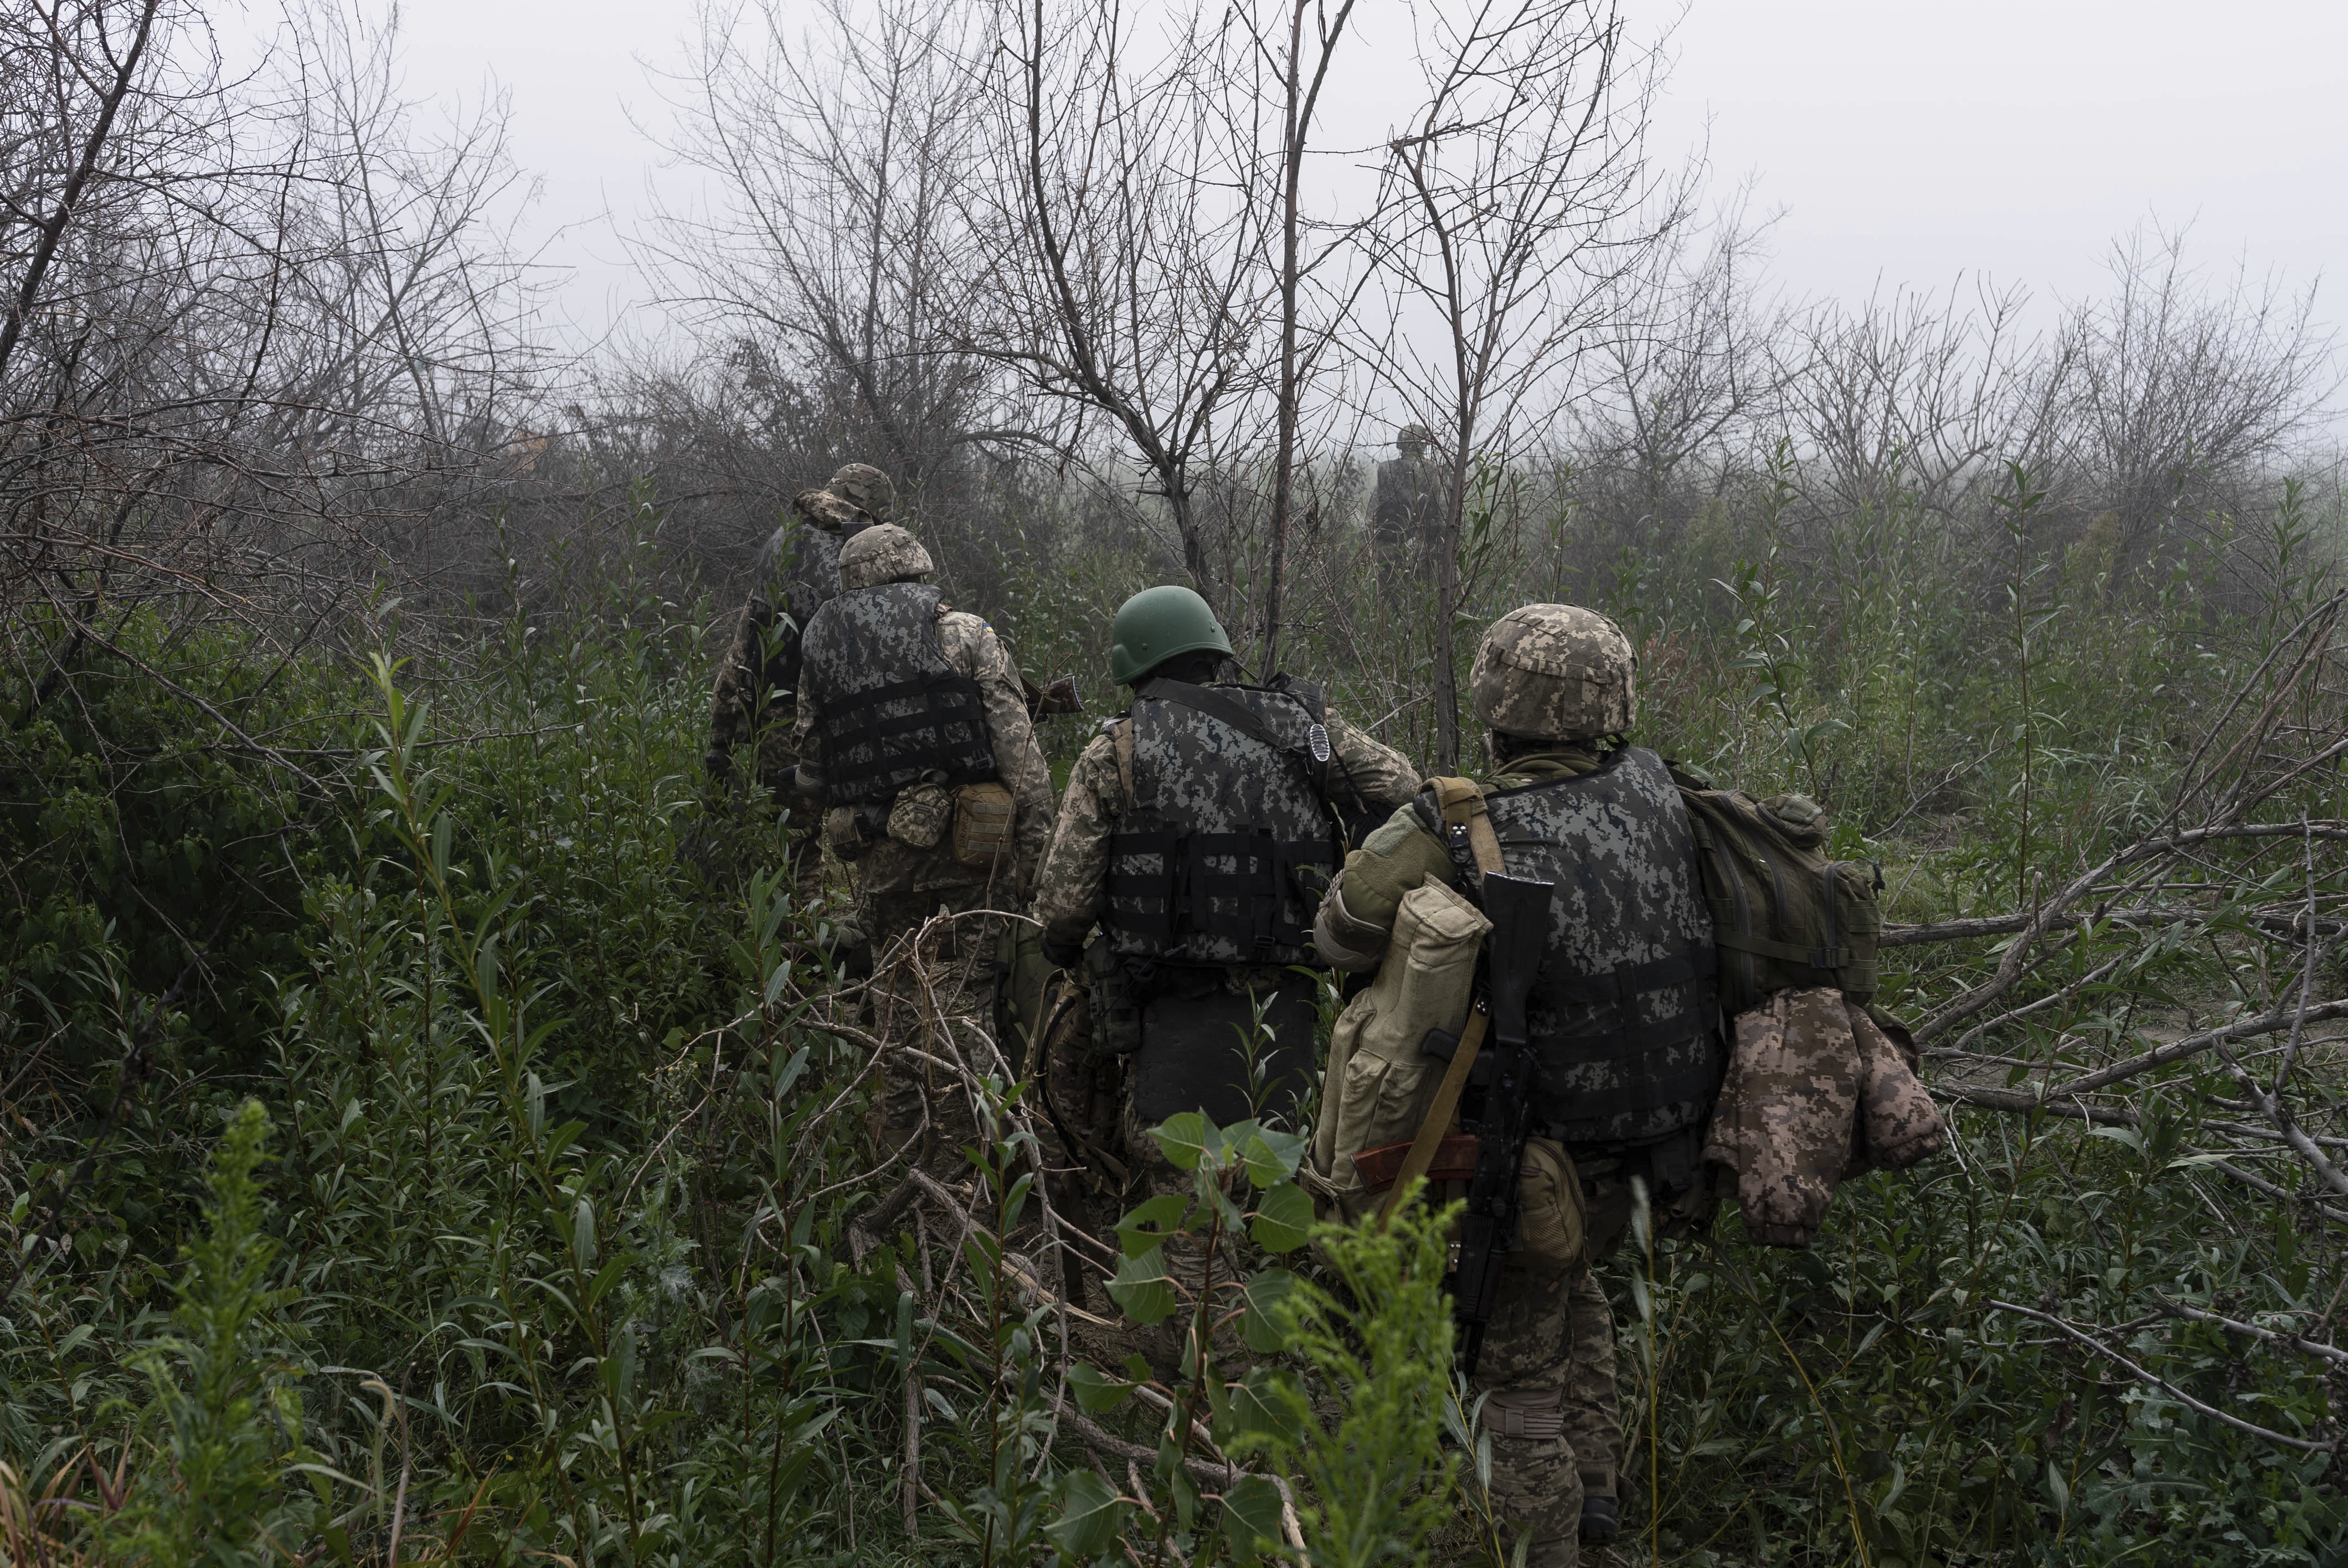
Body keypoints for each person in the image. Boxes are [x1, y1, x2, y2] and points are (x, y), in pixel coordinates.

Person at [1311, 603, 1726, 1566]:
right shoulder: (1663, 788)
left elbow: (1337, 931)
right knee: (1573, 1304)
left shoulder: (1458, 819)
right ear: (1611, 700)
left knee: (1517, 1378)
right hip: (1661, 1143)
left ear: (1499, 701)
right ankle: (1598, 1520)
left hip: (1532, 1156)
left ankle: (1539, 1545)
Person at [1029, 584, 1419, 1212]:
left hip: (1167, 999)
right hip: (1289, 996)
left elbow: (1064, 904)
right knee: (1277, 1170)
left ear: (1135, 665)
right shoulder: (1303, 724)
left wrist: (1065, 947)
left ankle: (1107, 1223)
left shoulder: (1118, 749)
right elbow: (1406, 792)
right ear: (1214, 651)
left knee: (1174, 1177)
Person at [791, 522, 1055, 1157]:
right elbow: (1022, 760)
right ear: (915, 570)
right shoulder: (964, 632)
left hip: (879, 853)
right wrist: (1034, 856)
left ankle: (903, 1152)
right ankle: (981, 1160)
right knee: (965, 996)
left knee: (896, 997)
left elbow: (810, 768)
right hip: (969, 851)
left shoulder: (820, 649)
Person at [703, 462, 897, 905]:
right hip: (812, 722)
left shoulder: (782, 542)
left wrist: (720, 729)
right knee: (802, 847)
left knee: (785, 837)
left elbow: (745, 638)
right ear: (875, 510)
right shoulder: (854, 554)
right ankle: (804, 949)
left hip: (761, 710)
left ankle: (783, 935)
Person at [1369, 424, 1448, 576]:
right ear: (1423, 446)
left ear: (1400, 445)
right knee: (1422, 598)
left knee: (1389, 596)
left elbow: (1372, 513)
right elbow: (1443, 512)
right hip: (1423, 551)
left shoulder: (1386, 470)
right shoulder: (1433, 472)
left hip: (1387, 550)